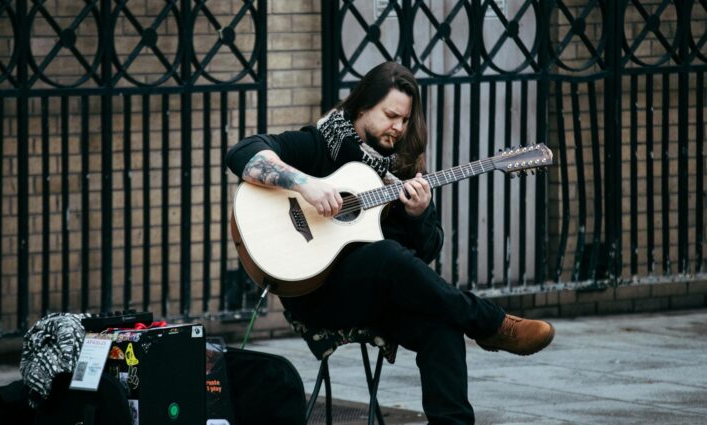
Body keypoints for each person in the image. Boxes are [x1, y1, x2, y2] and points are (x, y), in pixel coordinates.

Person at [225, 61, 554, 425]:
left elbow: (424, 255)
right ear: (363, 106)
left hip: (381, 299)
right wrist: (305, 184)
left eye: (405, 119)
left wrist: (419, 213)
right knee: (384, 255)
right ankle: (490, 324)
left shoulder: (404, 169)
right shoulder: (322, 144)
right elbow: (243, 151)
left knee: (441, 327)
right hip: (319, 296)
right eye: (390, 115)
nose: (398, 127)